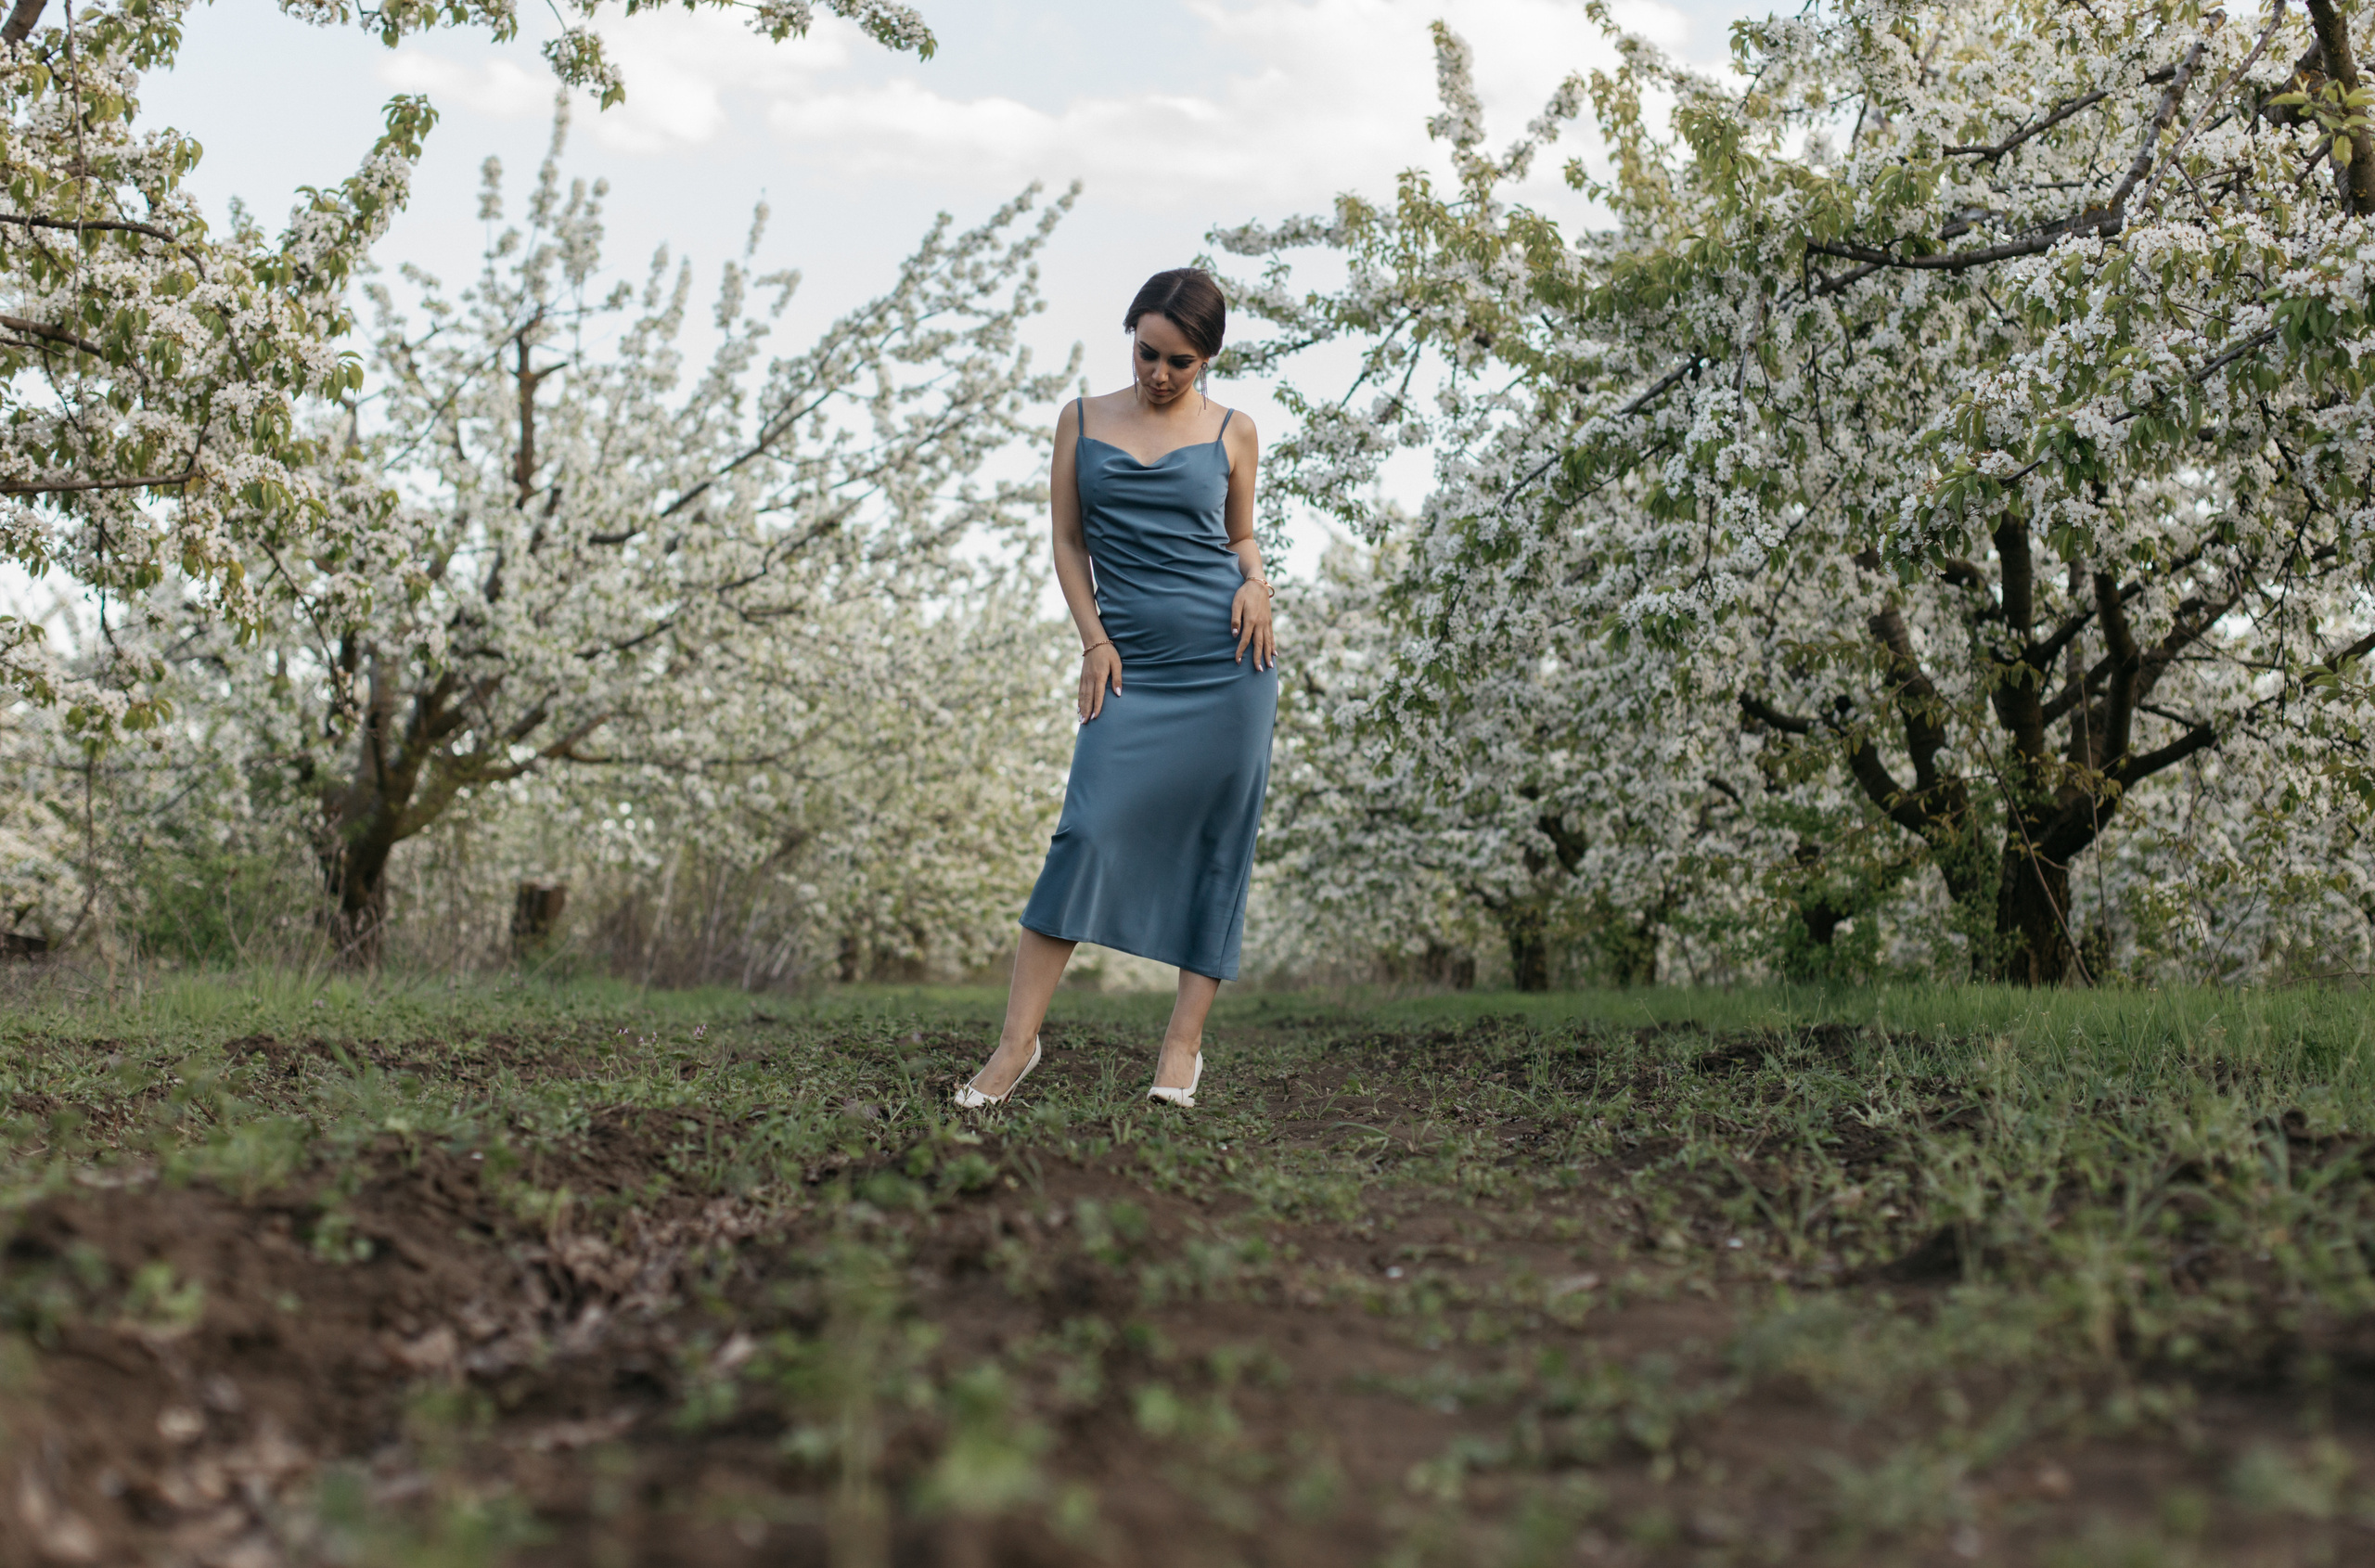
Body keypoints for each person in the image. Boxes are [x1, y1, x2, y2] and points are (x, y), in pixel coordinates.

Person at [955, 267, 1277, 1112]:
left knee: (1217, 846)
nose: (1159, 374)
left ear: (1209, 358)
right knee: (1086, 833)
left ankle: (1182, 1046)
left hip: (1226, 666)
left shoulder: (1234, 431)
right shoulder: (1082, 420)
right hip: (1128, 667)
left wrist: (1257, 584)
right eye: (1147, 353)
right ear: (1130, 335)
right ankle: (1016, 1044)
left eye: (1180, 361)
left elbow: (1240, 534)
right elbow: (1066, 541)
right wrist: (1093, 640)